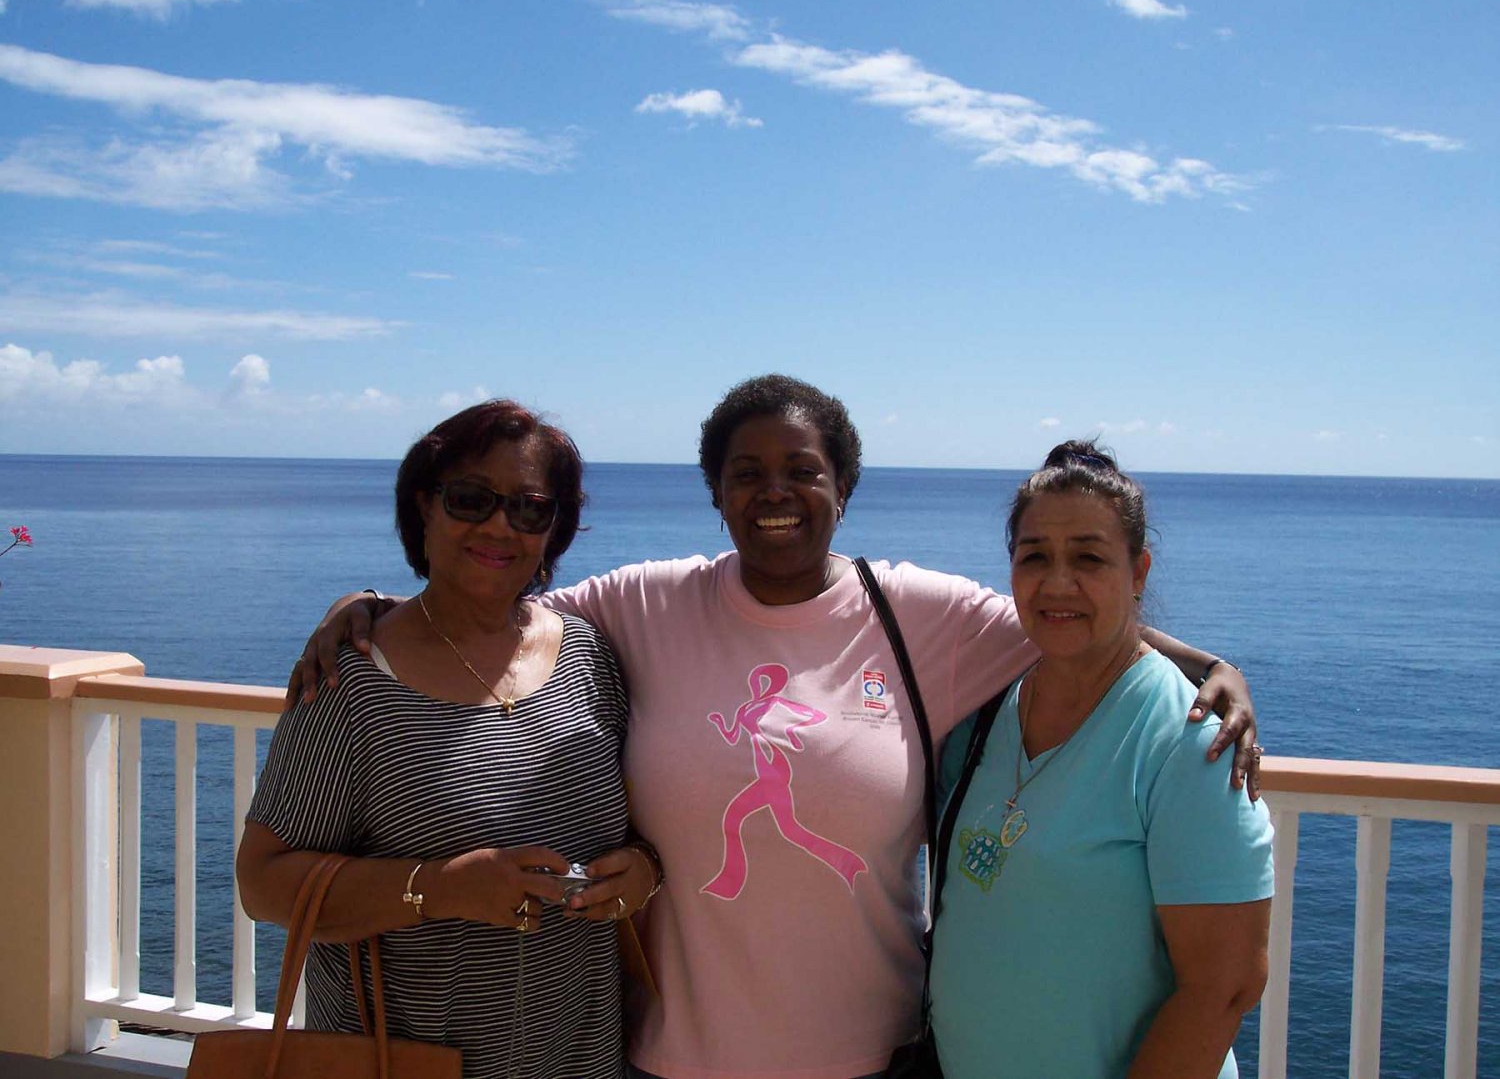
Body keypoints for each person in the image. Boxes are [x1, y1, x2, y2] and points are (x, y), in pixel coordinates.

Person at [291, 376, 1260, 1079]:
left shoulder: (918, 611)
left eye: (804, 469)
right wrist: (374, 605)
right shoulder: (645, 601)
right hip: (668, 1050)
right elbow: (494, 601)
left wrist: (1209, 665)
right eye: (746, 471)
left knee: (774, 821)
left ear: (844, 487)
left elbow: (1068, 612)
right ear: (714, 492)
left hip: (875, 1050)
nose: (775, 491)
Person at [238, 401, 662, 1079]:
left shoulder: (587, 656)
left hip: (580, 1056)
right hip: (400, 1060)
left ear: (553, 529)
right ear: (424, 506)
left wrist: (642, 871)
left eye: (529, 508)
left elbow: (638, 824)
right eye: (471, 499)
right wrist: (435, 888)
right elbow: (262, 882)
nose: (499, 525)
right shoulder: (353, 681)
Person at [930, 441, 1273, 1078]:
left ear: (1138, 572)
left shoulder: (1189, 741)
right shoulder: (989, 707)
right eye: (1035, 556)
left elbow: (1226, 985)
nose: (1058, 582)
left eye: (1089, 558)